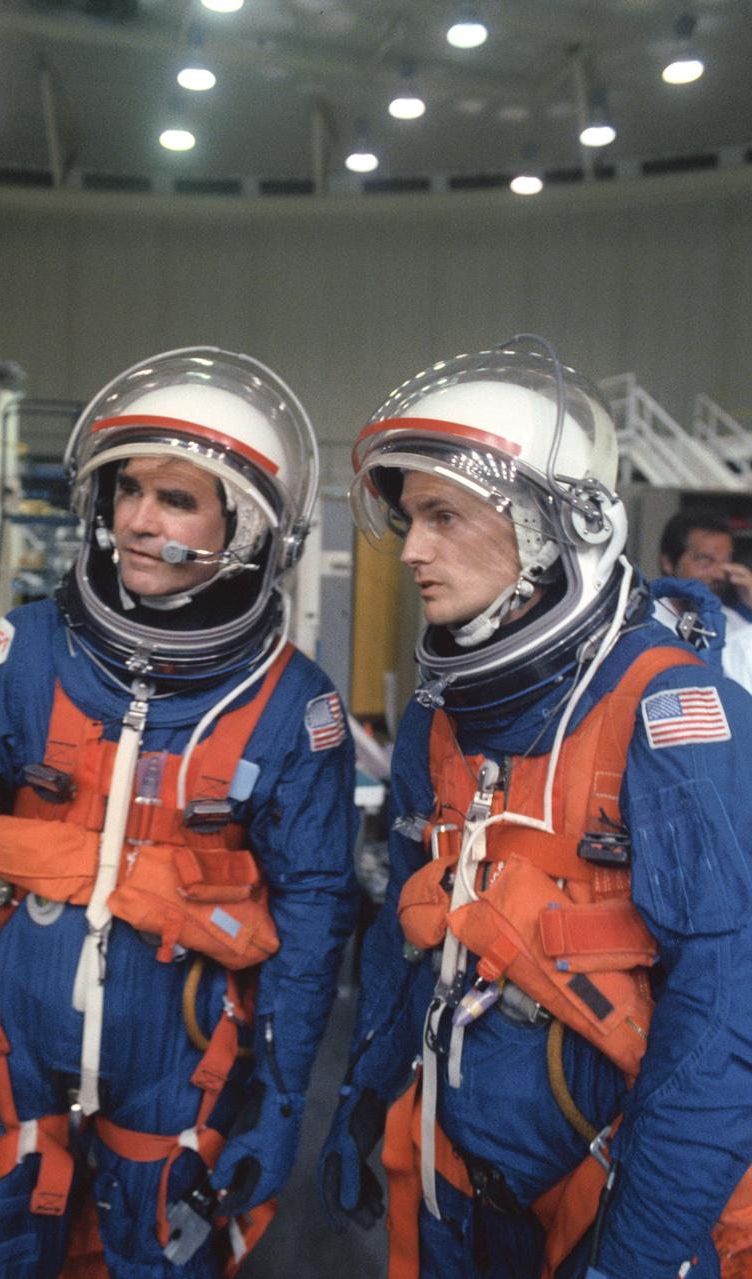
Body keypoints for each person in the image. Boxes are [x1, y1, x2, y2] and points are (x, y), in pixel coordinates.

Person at [0, 346, 358, 1278]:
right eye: (128, 490)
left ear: (243, 529)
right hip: (9, 1033)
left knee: (161, 1254)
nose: (138, 521)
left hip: (180, 1046)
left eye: (176, 499)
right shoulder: (26, 653)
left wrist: (280, 1104)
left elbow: (316, 911)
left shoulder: (290, 702)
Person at [319, 335, 752, 1279]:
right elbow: (412, 931)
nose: (413, 549)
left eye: (443, 514)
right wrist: (363, 1094)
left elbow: (721, 1026)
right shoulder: (445, 718)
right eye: (408, 518)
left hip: (602, 1211)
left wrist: (630, 1261)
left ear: (562, 525)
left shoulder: (673, 713)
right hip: (454, 1190)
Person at [656, 512, 752, 693]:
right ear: (668, 563)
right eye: (705, 561)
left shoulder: (735, 625)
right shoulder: (640, 621)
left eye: (726, 562)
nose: (718, 574)